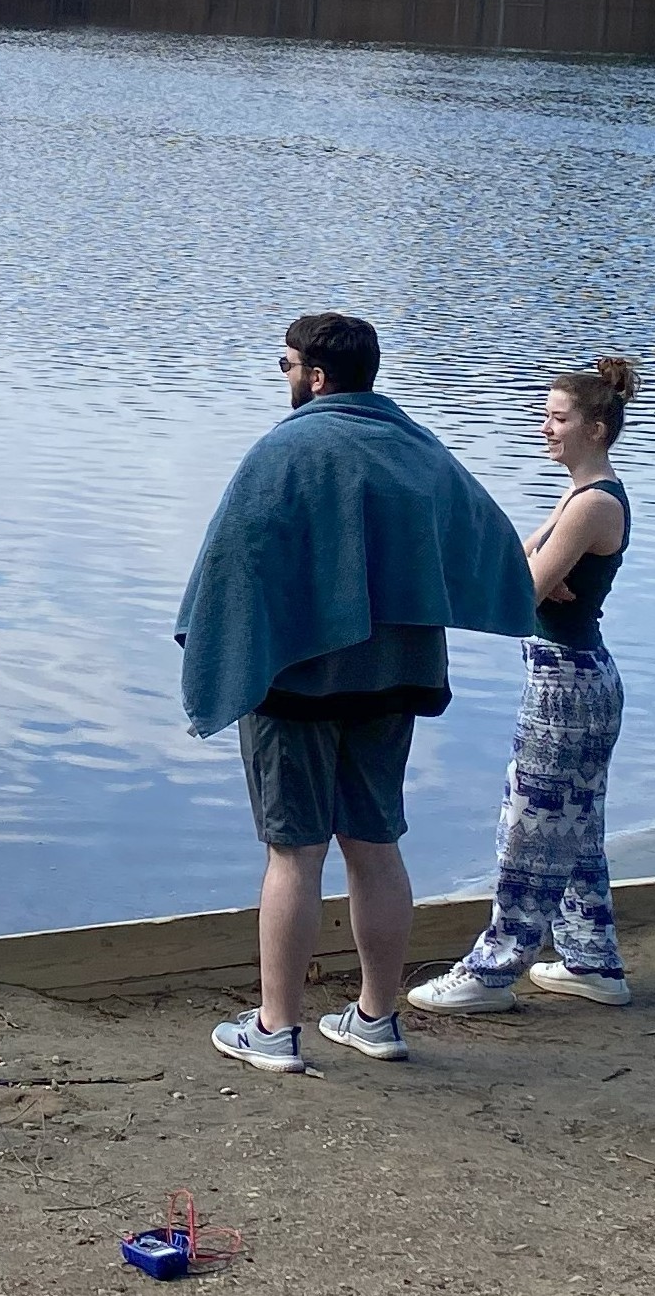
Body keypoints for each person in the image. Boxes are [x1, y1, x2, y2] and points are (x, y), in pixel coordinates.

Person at [176, 313, 536, 1073]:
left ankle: (275, 1030)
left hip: (298, 684)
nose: (283, 378)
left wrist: (216, 647)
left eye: (285, 366)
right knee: (375, 847)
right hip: (392, 680)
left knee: (293, 854)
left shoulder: (285, 448)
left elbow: (233, 562)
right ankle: (376, 1019)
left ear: (314, 376)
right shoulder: (417, 447)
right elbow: (489, 537)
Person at [409, 359, 640, 1014]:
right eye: (545, 415)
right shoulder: (578, 496)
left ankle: (491, 969)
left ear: (595, 428)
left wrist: (535, 578)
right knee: (574, 827)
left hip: (569, 687)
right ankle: (592, 962)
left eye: (557, 418)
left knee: (532, 825)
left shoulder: (594, 502)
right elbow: (515, 568)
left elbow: (520, 590)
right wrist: (533, 576)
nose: (544, 428)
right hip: (568, 678)